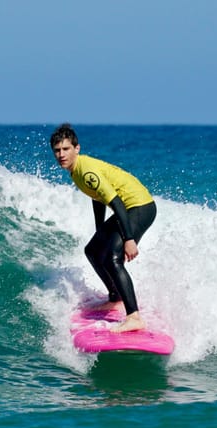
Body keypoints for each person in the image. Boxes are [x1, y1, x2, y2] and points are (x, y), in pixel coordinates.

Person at [50, 123, 157, 333]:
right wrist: (101, 232)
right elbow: (97, 197)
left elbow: (115, 202)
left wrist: (128, 239)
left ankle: (134, 316)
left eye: (66, 149)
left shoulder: (86, 170)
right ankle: (115, 297)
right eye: (57, 150)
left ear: (76, 148)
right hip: (128, 208)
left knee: (112, 258)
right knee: (93, 250)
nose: (61, 154)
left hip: (139, 207)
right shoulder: (76, 171)